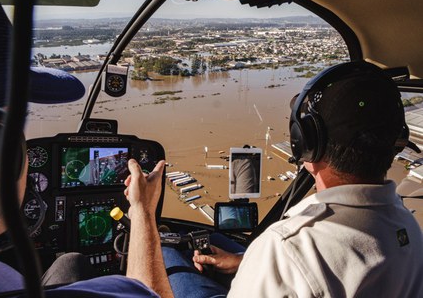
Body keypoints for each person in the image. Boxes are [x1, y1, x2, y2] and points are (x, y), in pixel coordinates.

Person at [143, 61, 423, 297]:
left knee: (166, 252)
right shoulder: (407, 224)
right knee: (212, 240)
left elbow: (303, 266)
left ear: (305, 143)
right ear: (397, 140)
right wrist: (246, 263)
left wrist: (143, 214)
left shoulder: (289, 246)